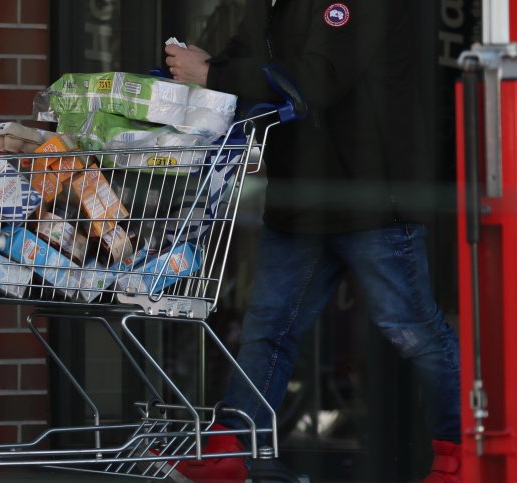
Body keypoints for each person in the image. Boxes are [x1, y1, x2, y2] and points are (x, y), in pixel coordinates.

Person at [165, 1, 461, 482]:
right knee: (268, 326)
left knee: (413, 330)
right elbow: (241, 55)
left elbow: (317, 77)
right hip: (302, 196)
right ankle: (235, 445)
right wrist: (198, 66)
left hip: (371, 197)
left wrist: (213, 71)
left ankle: (462, 451)